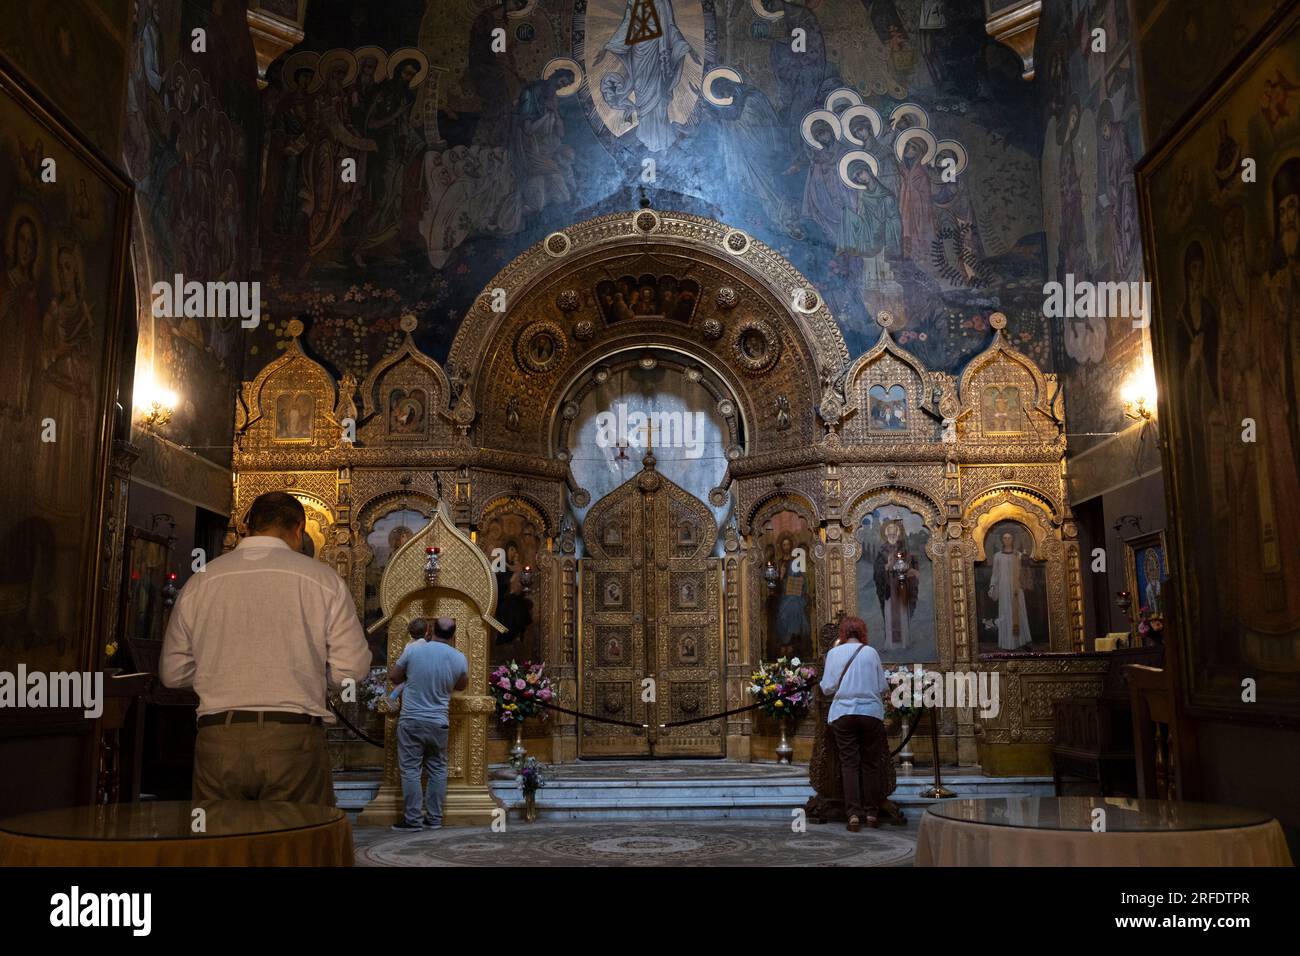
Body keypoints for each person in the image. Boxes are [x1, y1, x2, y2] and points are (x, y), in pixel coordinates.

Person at [160, 492, 372, 805]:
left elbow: (173, 673)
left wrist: (220, 675)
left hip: (218, 740)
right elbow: (352, 670)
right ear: (299, 528)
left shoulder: (202, 580)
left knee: (222, 848)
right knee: (292, 845)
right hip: (293, 740)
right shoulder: (322, 580)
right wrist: (309, 674)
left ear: (248, 527)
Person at [388, 616, 468, 831]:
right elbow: (461, 685)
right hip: (438, 721)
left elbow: (394, 677)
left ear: (430, 630)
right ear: (453, 635)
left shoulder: (414, 650)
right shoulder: (459, 657)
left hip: (412, 719)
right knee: (438, 770)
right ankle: (434, 819)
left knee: (411, 770)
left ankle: (413, 820)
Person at [818, 616, 889, 831]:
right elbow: (882, 687)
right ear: (862, 632)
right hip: (870, 713)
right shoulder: (871, 652)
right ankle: (872, 813)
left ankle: (853, 815)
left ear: (843, 633)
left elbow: (827, 688)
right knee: (870, 764)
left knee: (849, 764)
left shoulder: (834, 653)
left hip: (844, 713)